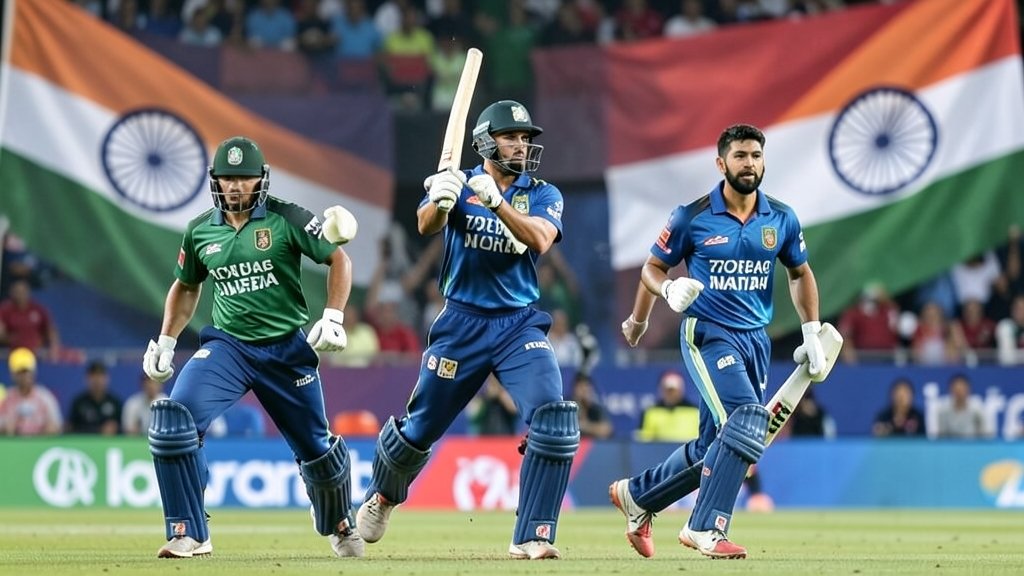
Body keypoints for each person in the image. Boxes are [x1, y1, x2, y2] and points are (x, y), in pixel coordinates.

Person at [355, 100, 578, 560]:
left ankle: (533, 535)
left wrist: (494, 201)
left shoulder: (544, 193)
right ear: (485, 142)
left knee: (553, 419)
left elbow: (538, 239)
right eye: (511, 137)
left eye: (525, 138)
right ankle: (382, 494)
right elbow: (425, 225)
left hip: (519, 324)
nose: (521, 145)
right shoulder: (459, 185)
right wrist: (441, 198)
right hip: (462, 322)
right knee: (420, 429)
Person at [140, 136, 363, 559]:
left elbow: (339, 260)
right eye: (228, 179)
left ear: (261, 179)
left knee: (317, 448)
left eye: (244, 179)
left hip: (285, 350)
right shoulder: (201, 229)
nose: (236, 187)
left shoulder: (287, 217)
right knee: (174, 422)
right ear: (216, 181)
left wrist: (333, 315)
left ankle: (339, 522)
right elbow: (186, 286)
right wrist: (167, 339)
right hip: (229, 348)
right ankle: (189, 531)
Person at [611, 124, 825, 559]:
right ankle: (704, 526)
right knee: (747, 422)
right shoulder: (691, 216)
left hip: (755, 340)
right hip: (708, 334)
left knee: (716, 445)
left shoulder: (780, 217)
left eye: (756, 156)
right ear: (721, 163)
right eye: (741, 156)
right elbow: (652, 269)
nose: (750, 164)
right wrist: (664, 295)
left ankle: (638, 496)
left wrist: (811, 329)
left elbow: (800, 273)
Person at [0, 347, 62, 435]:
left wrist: (48, 431)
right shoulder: (5, 398)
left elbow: (56, 426)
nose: (23, 376)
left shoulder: (45, 397)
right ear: (12, 375)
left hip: (40, 445)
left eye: (26, 371)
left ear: (33, 372)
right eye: (19, 372)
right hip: (13, 445)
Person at [635, 370, 699, 442]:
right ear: (661, 390)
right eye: (667, 390)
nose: (671, 394)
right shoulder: (650, 412)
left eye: (673, 390)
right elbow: (643, 441)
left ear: (681, 390)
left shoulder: (696, 411)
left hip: (688, 452)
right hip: (658, 452)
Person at [67, 360, 122, 435]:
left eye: (100, 376)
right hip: (84, 443)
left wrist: (115, 429)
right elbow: (71, 429)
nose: (97, 380)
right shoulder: (79, 402)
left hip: (109, 444)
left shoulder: (115, 403)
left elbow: (123, 429)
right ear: (86, 379)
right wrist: (99, 430)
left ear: (107, 378)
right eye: (93, 376)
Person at [935, 373, 990, 439]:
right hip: (950, 446)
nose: (959, 393)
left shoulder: (977, 410)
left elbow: (984, 434)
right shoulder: (943, 411)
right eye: (956, 390)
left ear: (968, 390)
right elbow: (941, 436)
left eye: (961, 390)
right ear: (950, 390)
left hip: (973, 446)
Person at [572, 372, 613, 439]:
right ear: (574, 389)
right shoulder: (569, 408)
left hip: (594, 446)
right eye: (581, 387)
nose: (584, 390)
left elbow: (607, 430)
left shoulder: (596, 409)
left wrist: (585, 426)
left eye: (587, 387)